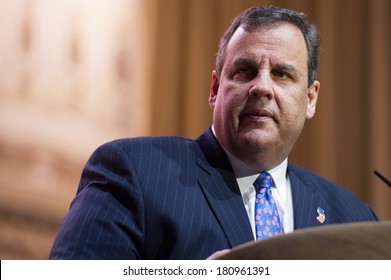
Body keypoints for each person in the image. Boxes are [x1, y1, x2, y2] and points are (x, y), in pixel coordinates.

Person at [49, 6, 378, 260]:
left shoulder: (353, 218)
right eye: (245, 70)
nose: (261, 86)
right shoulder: (135, 171)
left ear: (310, 98)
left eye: (282, 74)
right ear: (215, 88)